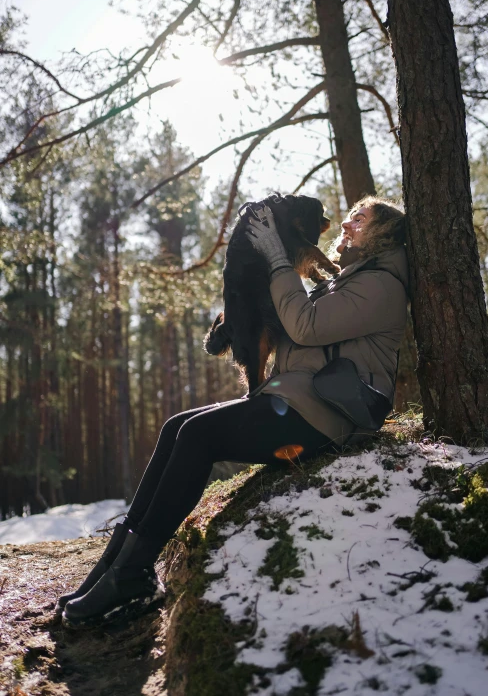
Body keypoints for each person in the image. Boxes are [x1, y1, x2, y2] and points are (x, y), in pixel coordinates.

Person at [59, 196, 408, 628]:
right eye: (351, 214)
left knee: (199, 437)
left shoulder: (382, 284)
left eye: (361, 218)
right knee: (176, 427)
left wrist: (277, 258)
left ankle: (132, 574)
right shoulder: (352, 279)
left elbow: (306, 327)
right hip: (297, 399)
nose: (347, 222)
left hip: (329, 417)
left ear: (384, 233)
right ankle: (111, 567)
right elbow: (293, 329)